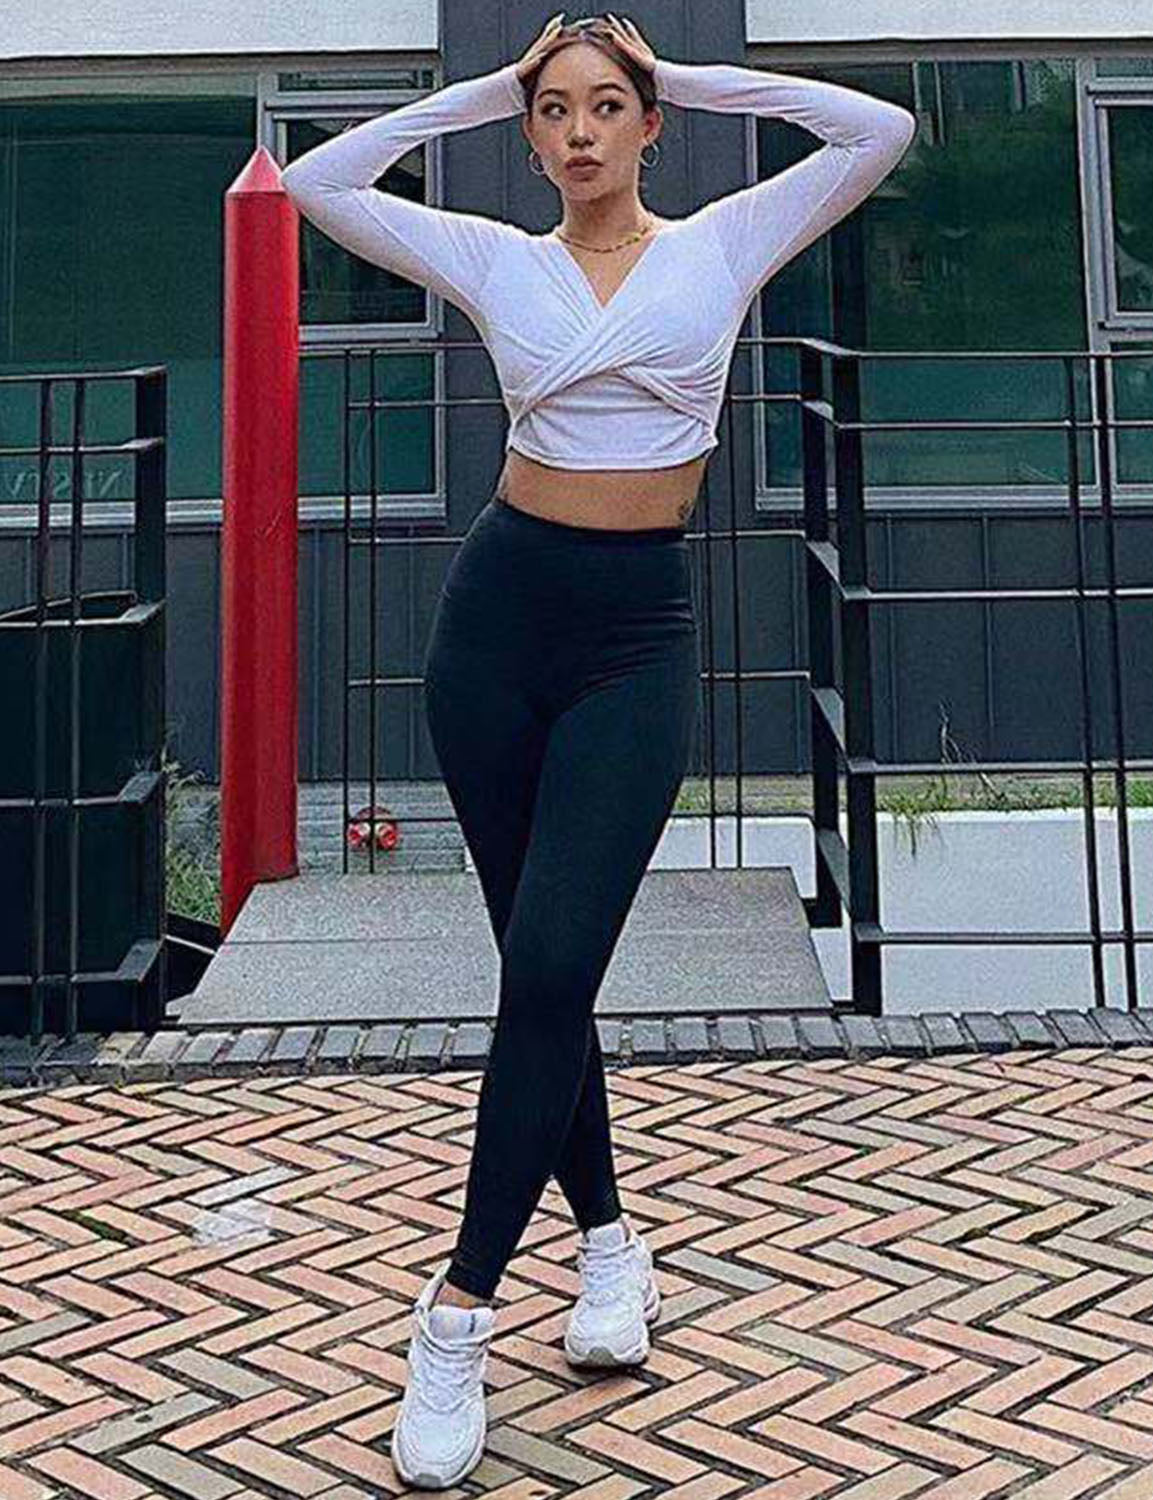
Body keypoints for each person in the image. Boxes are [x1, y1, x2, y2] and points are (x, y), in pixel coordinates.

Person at [281, 12, 915, 1487]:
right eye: (553, 111)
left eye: (607, 106)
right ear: (529, 132)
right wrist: (480, 91)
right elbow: (318, 180)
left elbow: (874, 130)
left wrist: (686, 71)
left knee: (557, 966)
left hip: (635, 638)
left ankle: (457, 1316)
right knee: (540, 976)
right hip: (496, 629)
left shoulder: (722, 245)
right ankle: (612, 1246)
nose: (578, 132)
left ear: (649, 124)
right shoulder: (500, 259)